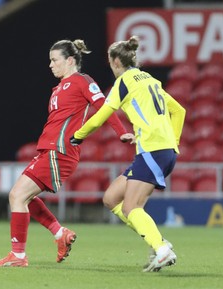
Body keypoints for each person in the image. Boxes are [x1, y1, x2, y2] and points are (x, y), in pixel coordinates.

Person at [0, 39, 130, 267]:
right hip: (49, 150)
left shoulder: (82, 81)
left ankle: (19, 256)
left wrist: (121, 132)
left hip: (60, 151)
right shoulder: (58, 88)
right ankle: (59, 234)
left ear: (70, 60)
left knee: (16, 196)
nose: (50, 65)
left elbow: (105, 106)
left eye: (55, 60)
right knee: (26, 198)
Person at [70, 36, 186, 272]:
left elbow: (102, 115)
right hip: (157, 149)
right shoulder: (150, 80)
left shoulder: (123, 82)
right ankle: (158, 242)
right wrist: (172, 142)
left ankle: (161, 248)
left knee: (131, 207)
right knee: (111, 198)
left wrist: (78, 135)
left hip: (153, 150)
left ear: (114, 61)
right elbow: (179, 111)